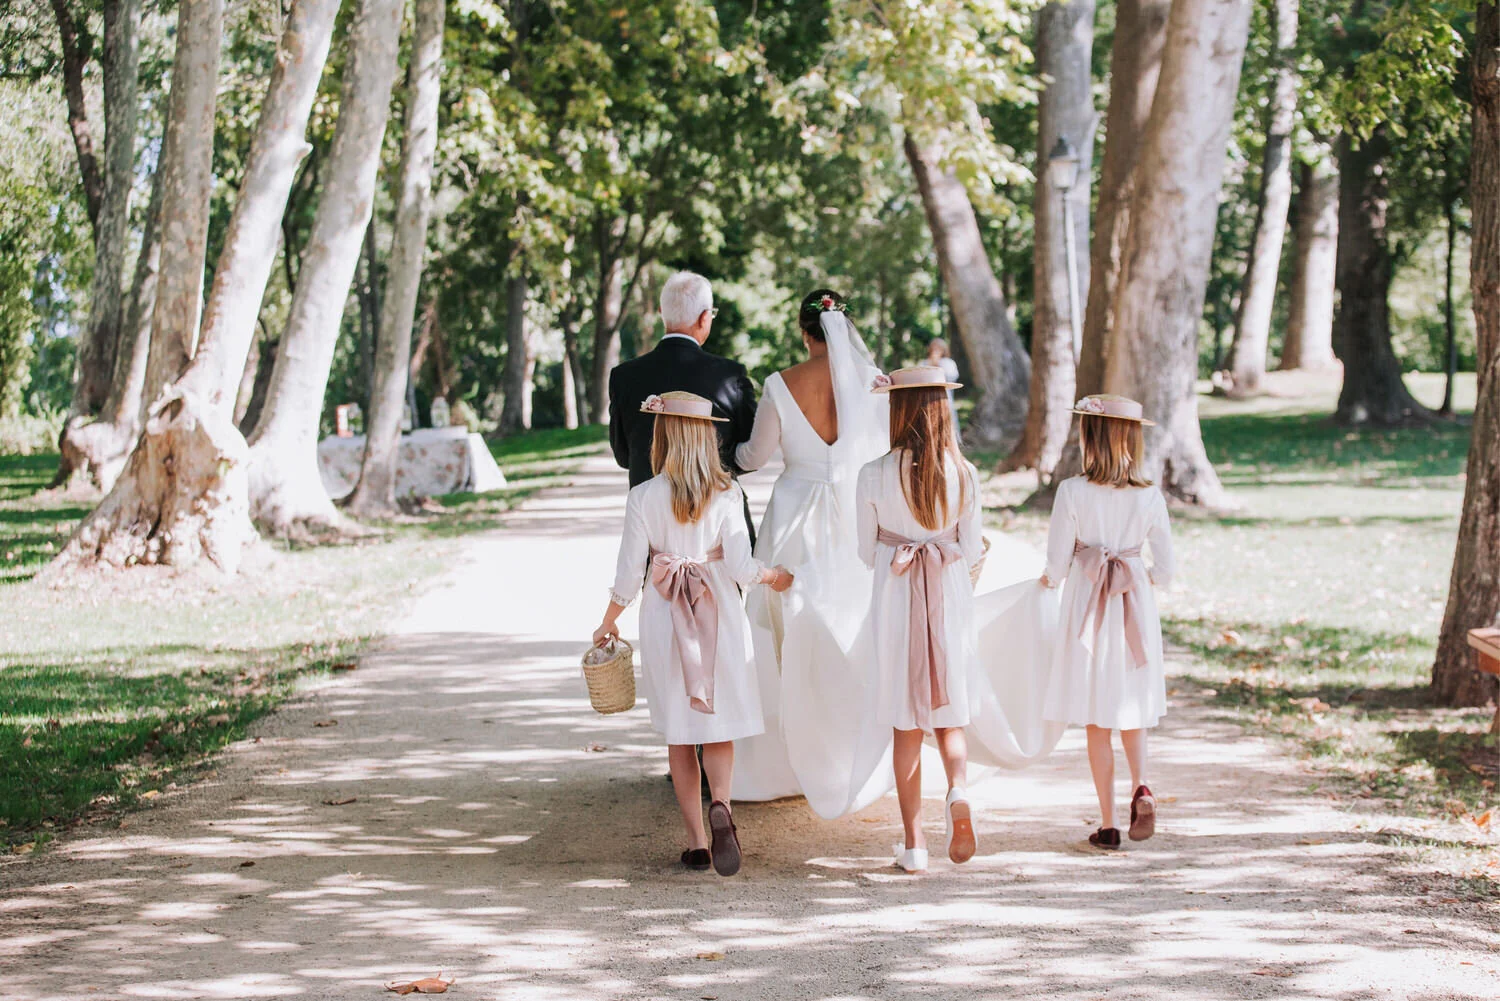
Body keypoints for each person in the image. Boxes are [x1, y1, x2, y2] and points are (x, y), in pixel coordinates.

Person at [593, 392, 793, 876]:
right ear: (706, 437)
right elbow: (743, 569)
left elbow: (628, 572)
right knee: (717, 727)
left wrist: (608, 620)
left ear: (663, 435)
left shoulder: (643, 496)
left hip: (665, 614)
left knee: (681, 736)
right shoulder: (728, 493)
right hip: (717, 610)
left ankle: (698, 842)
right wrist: (774, 576)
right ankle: (721, 802)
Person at [731, 291, 894, 818]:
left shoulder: (781, 384)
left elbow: (753, 458)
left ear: (804, 332)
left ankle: (782, 760)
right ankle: (847, 748)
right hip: (850, 511)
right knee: (847, 620)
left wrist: (724, 453)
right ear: (844, 327)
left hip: (795, 511)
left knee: (782, 624)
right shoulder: (873, 383)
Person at [857, 366, 986, 873]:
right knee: (948, 711)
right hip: (948, 598)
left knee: (905, 724)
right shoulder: (964, 473)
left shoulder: (873, 473)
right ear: (940, 410)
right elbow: (972, 548)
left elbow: (866, 552)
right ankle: (957, 791)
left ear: (898, 410)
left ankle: (914, 845)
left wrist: (903, 544)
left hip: (895, 596)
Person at [1039, 394, 1175, 851]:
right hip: (1133, 604)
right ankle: (1142, 786)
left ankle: (1109, 823)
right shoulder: (1149, 494)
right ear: (1132, 440)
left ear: (1088, 436)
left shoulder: (1072, 491)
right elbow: (1168, 568)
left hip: (1089, 608)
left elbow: (1058, 562)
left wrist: (1049, 580)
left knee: (1098, 720)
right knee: (1132, 708)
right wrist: (1142, 576)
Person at [607, 272, 758, 534]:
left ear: (660, 312)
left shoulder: (624, 376)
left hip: (651, 527)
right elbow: (749, 454)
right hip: (718, 523)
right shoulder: (730, 375)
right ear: (704, 317)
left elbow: (623, 456)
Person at [925, 338, 962, 426]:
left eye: (938, 348)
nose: (935, 350)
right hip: (926, 397)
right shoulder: (924, 362)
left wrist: (937, 364)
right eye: (934, 348)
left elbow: (952, 377)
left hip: (944, 396)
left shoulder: (948, 363)